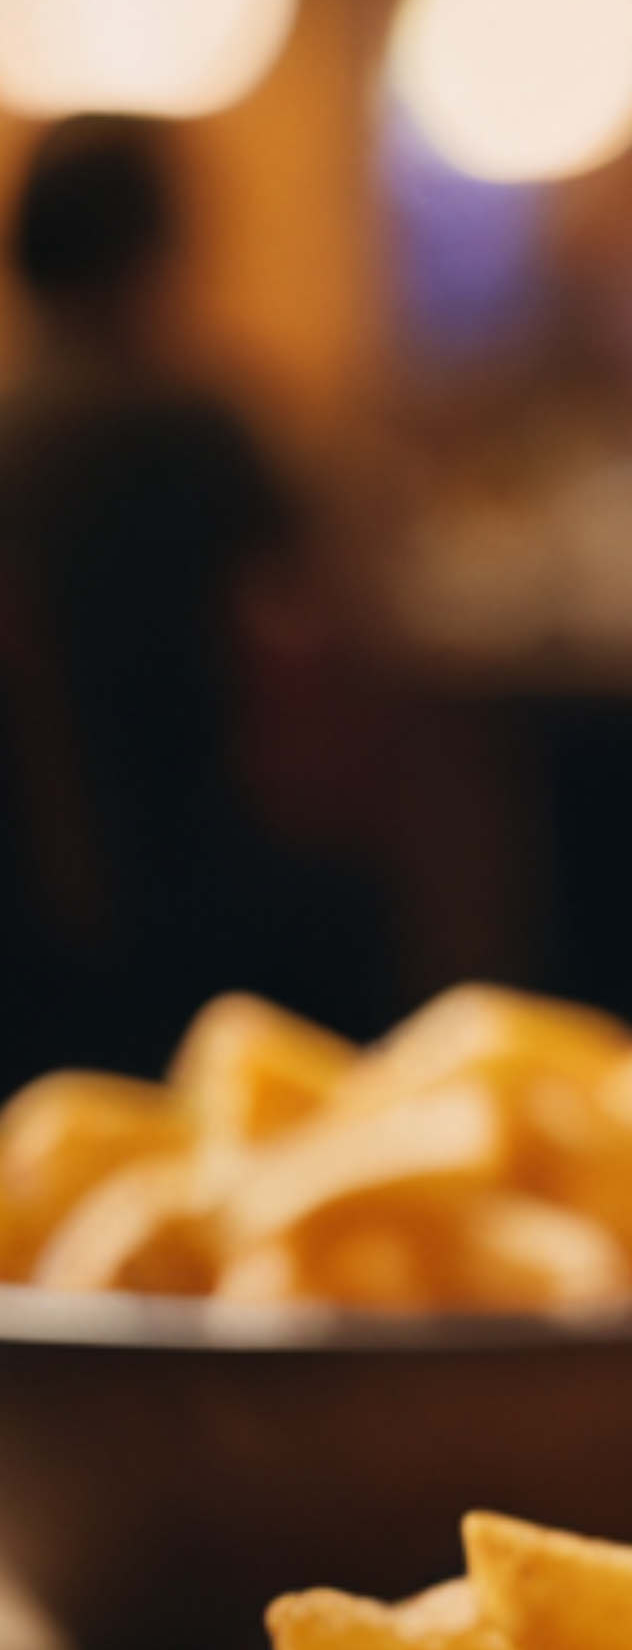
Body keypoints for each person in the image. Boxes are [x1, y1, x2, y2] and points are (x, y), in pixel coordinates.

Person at [0, 123, 345, 1075]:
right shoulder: (189, 420)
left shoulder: (14, 424)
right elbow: (292, 633)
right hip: (193, 859)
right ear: (151, 245)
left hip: (37, 891)